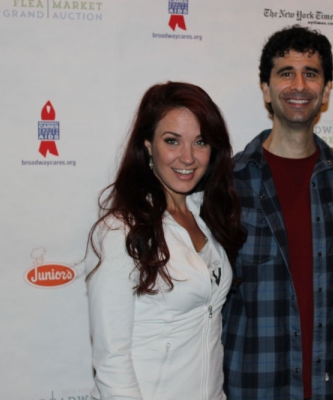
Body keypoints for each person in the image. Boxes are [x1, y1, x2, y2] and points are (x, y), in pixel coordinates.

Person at [222, 25, 333, 400]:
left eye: (311, 73)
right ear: (266, 90)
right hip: (255, 386)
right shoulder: (229, 181)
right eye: (286, 73)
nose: (299, 85)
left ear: (326, 90)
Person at [85, 82, 246, 400]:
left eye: (200, 142)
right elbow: (111, 361)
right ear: (147, 144)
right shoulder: (121, 232)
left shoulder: (207, 218)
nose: (187, 157)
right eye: (172, 141)